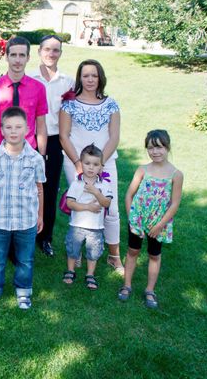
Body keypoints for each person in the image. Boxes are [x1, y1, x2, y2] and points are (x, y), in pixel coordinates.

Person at [0, 36, 48, 259]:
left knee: (23, 201)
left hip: (26, 155)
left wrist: (42, 155)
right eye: (13, 55)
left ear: (28, 57)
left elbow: (40, 124)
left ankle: (18, 251)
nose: (18, 60)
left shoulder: (38, 88)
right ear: (7, 57)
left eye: (22, 55)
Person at [59, 59, 124, 274]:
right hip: (76, 163)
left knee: (110, 208)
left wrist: (99, 164)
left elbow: (114, 136)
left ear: (100, 78)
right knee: (78, 203)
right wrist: (80, 163)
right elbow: (64, 136)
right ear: (80, 78)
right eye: (85, 75)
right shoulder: (69, 104)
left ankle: (114, 255)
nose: (89, 80)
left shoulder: (111, 104)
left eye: (94, 75)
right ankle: (75, 252)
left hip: (105, 164)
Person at [0, 107, 45, 310]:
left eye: (18, 127)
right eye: (9, 127)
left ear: (27, 128)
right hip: (0, 219)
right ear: (2, 130)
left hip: (26, 219)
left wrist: (39, 216)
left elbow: (39, 188)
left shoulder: (35, 158)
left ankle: (23, 292)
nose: (13, 131)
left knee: (25, 260)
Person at [118, 130, 183, 309]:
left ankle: (149, 290)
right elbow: (129, 195)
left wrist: (160, 225)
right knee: (132, 252)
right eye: (150, 148)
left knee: (154, 255)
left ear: (167, 147)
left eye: (159, 147)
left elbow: (175, 204)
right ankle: (127, 285)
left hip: (158, 223)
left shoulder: (176, 175)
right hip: (137, 219)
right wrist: (132, 218)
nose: (155, 152)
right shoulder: (143, 170)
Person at [30, 35, 74, 257]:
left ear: (60, 54)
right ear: (39, 51)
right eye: (47, 49)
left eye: (55, 50)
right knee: (28, 189)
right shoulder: (29, 78)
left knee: (49, 189)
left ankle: (45, 237)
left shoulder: (67, 82)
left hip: (55, 141)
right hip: (29, 140)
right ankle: (26, 232)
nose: (51, 53)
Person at [62, 145, 112, 290]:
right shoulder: (76, 183)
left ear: (101, 167)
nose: (91, 167)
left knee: (93, 251)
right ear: (81, 164)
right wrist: (87, 207)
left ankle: (90, 274)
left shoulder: (104, 185)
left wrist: (96, 192)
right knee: (72, 248)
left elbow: (106, 203)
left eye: (95, 164)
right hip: (77, 225)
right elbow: (70, 203)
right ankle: (70, 270)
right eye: (87, 163)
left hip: (96, 227)